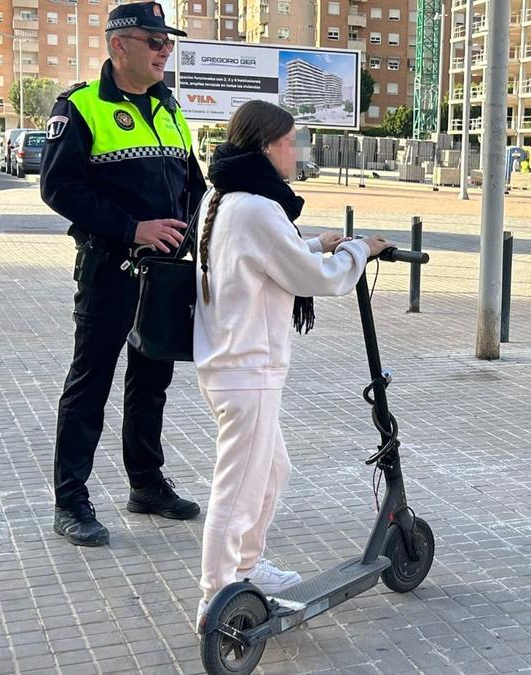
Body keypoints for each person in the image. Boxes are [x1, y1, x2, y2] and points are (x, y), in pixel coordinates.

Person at [192, 101, 392, 630]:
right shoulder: (257, 206)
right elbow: (314, 279)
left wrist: (313, 243)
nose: (297, 151)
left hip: (233, 365)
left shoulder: (225, 197)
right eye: (291, 141)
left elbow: (263, 257)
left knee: (271, 470)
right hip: (246, 369)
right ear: (266, 147)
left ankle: (249, 568)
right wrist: (357, 251)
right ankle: (218, 599)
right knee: (236, 491)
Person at [40, 0, 207, 547]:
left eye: (169, 43)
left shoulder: (169, 106)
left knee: (151, 380)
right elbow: (59, 189)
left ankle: (146, 484)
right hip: (111, 269)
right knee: (91, 384)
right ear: (119, 45)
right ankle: (71, 501)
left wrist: (199, 231)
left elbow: (193, 185)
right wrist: (133, 227)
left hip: (164, 275)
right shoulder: (81, 106)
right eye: (155, 41)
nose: (165, 51)